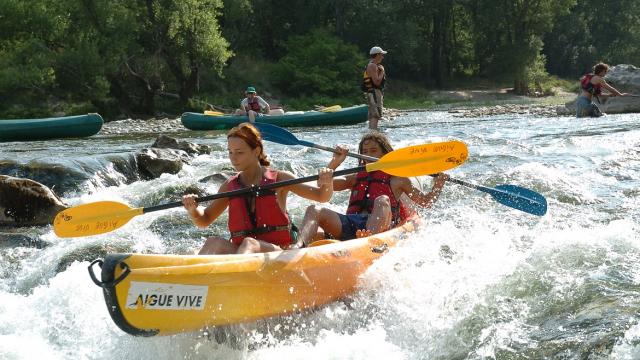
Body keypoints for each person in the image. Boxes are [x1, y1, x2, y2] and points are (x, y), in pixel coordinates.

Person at [182, 123, 334, 255]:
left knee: (250, 243)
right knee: (213, 242)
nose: (233, 158)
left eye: (239, 152)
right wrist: (193, 210)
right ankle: (192, 284)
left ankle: (236, 279)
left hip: (278, 253)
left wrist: (327, 182)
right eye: (230, 152)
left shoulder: (281, 179)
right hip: (244, 254)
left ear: (256, 151)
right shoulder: (230, 185)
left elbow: (321, 196)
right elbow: (204, 220)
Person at [297, 132, 449, 246]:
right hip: (352, 225)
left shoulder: (398, 179)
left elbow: (426, 202)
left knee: (382, 199)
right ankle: (298, 247)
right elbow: (322, 184)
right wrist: (335, 162)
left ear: (385, 154)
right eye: (365, 152)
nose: (368, 155)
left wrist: (438, 184)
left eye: (374, 151)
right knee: (314, 210)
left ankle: (368, 241)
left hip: (381, 228)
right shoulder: (356, 177)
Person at [362, 46, 387, 130]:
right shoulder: (373, 66)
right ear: (377, 55)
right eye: (381, 55)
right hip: (374, 93)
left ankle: (372, 133)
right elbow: (377, 82)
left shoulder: (372, 65)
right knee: (375, 116)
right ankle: (374, 134)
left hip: (372, 92)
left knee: (373, 115)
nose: (382, 57)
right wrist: (382, 71)